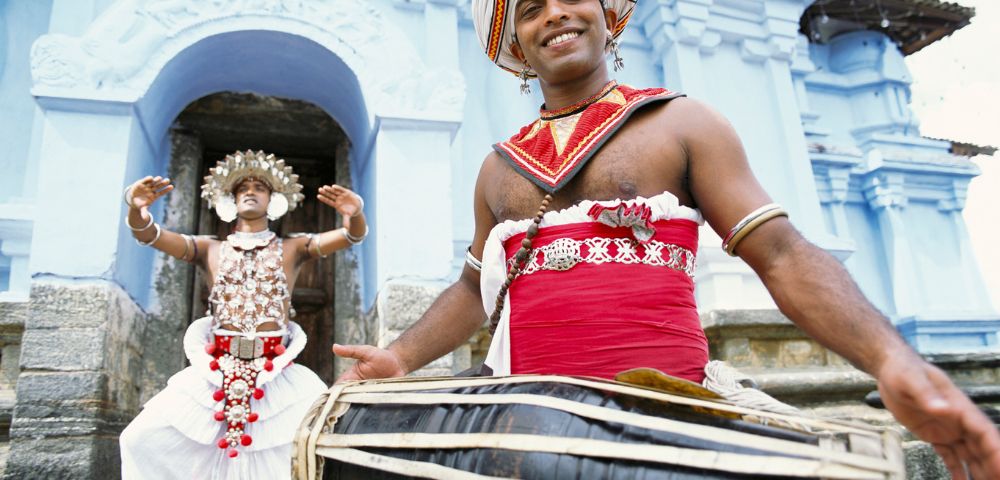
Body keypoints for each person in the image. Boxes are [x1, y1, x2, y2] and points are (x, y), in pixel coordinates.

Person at [331, 1, 1000, 478]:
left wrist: (892, 360)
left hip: (666, 407)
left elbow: (783, 252)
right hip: (521, 411)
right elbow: (475, 288)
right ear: (514, 44)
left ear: (608, 13)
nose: (554, 14)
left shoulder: (682, 122)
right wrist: (399, 357)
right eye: (530, 9)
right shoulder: (499, 165)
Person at [119, 150, 368, 479]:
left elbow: (351, 236)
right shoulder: (209, 248)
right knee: (141, 438)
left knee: (309, 444)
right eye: (242, 188)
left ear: (273, 199)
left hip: (276, 372)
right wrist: (137, 210)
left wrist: (355, 214)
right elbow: (150, 236)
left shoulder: (293, 248)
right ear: (230, 200)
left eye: (260, 187)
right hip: (214, 370)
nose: (250, 191)